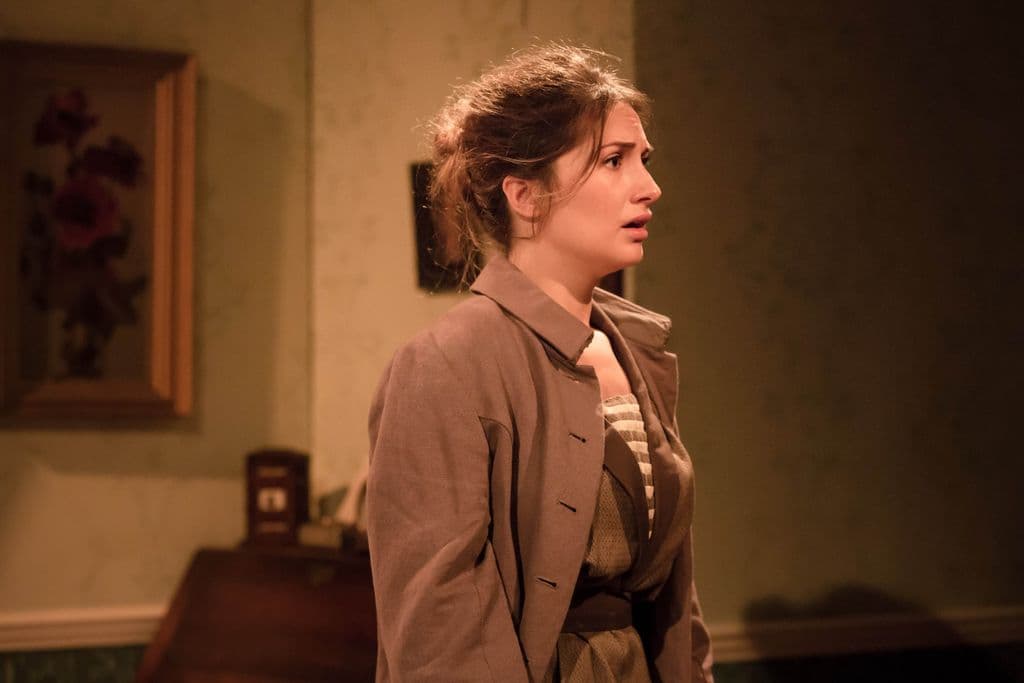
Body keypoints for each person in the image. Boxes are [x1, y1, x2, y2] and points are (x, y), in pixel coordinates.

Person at [366, 44, 714, 682]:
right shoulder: (446, 364)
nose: (649, 187)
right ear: (525, 195)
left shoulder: (635, 351)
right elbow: (440, 632)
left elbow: (674, 599)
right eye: (613, 160)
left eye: (643, 160)